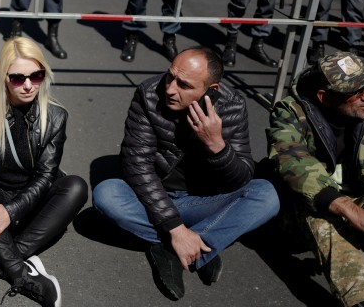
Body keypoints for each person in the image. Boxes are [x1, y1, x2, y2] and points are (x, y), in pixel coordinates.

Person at [93, 46, 279, 300]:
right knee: (107, 195)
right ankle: (203, 244)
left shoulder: (232, 106)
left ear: (211, 89)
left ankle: (174, 248)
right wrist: (176, 228)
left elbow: (242, 177)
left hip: (202, 200)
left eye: (184, 85)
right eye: (170, 76)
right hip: (151, 197)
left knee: (267, 195)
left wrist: (217, 146)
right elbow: (137, 165)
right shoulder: (149, 94)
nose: (170, 89)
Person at [0, 37, 88, 307]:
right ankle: (21, 274)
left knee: (77, 186)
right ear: (4, 78)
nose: (28, 85)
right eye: (18, 78)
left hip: (31, 201)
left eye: (36, 76)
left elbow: (46, 176)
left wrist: (10, 212)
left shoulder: (56, 116)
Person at [266, 51, 364, 307]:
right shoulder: (291, 113)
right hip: (298, 218)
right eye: (356, 91)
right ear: (324, 97)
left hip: (358, 203)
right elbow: (295, 164)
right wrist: (355, 213)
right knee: (321, 214)